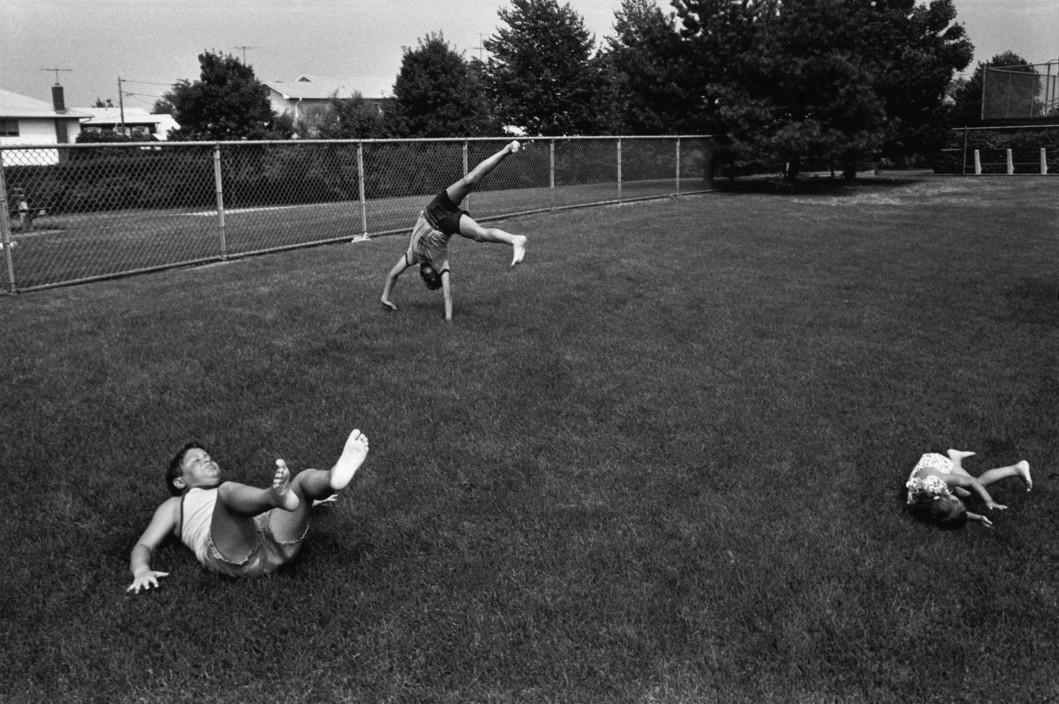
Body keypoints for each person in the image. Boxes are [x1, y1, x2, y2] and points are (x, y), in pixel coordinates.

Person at [127, 429, 369, 592]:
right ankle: (274, 497)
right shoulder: (173, 506)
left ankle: (333, 476)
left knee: (304, 478)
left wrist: (307, 504)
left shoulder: (229, 493)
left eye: (208, 457)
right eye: (197, 461)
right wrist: (141, 570)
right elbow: (144, 545)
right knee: (228, 492)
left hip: (270, 534)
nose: (208, 461)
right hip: (232, 552)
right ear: (180, 482)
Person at [380, 140, 529, 322]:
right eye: (432, 277)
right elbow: (447, 295)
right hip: (446, 225)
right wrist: (448, 320)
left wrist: (385, 298)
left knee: (469, 180)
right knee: (479, 235)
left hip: (434, 210)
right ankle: (515, 240)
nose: (428, 275)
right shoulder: (440, 265)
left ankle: (506, 150)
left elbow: (393, 274)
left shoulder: (413, 256)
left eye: (427, 278)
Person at [905, 448, 1032, 529]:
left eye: (959, 504)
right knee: (964, 494)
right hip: (927, 474)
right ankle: (955, 457)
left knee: (979, 484)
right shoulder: (926, 506)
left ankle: (1017, 468)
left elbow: (971, 482)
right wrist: (977, 517)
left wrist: (989, 500)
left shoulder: (937, 481)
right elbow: (948, 512)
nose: (962, 504)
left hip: (935, 463)